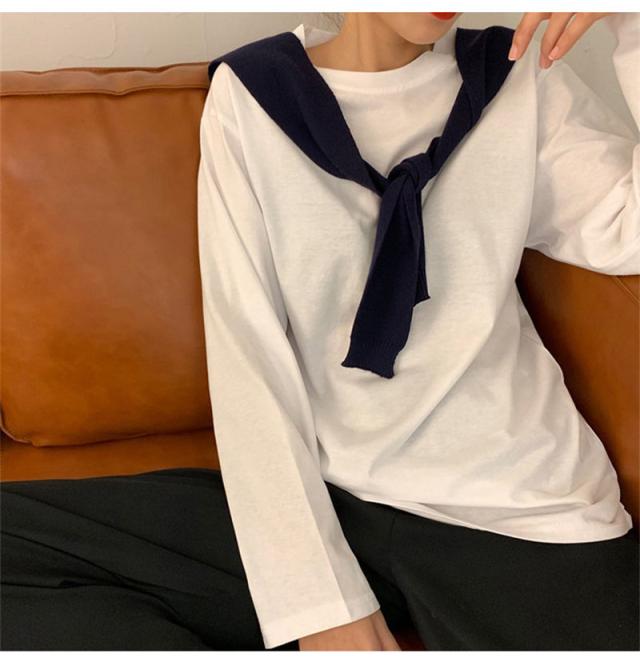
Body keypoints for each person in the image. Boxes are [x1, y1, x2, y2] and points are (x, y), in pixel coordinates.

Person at [197, 11, 639, 651]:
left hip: (521, 508)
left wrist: (633, 23)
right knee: (42, 551)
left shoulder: (517, 77)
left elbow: (626, 230)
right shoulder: (251, 96)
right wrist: (318, 602)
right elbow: (246, 349)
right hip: (340, 497)